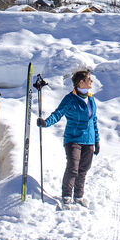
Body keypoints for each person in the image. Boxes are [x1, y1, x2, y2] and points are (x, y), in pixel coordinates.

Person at [37, 69, 100, 207]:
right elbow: (58, 113)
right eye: (89, 79)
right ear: (80, 82)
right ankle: (66, 195)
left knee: (84, 169)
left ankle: (78, 196)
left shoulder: (91, 99)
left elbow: (94, 120)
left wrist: (97, 140)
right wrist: (46, 122)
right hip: (73, 139)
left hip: (88, 140)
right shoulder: (70, 99)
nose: (91, 81)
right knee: (73, 167)